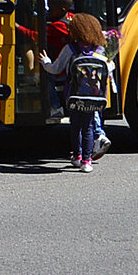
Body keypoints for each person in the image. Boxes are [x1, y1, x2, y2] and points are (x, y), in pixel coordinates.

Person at [50, 12, 116, 170]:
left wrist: (46, 62)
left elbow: (56, 68)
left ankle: (77, 156)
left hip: (73, 96)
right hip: (94, 97)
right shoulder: (99, 50)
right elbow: (109, 68)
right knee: (88, 127)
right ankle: (87, 161)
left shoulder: (70, 49)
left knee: (76, 127)